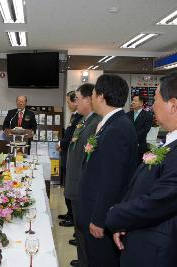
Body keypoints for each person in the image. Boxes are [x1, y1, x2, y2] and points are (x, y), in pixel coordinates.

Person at [106, 72, 177, 267]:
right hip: (141, 237)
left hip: (156, 251)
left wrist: (116, 214)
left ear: (173, 105)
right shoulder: (169, 142)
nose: (152, 105)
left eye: (156, 99)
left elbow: (159, 201)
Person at [77, 74, 138, 267]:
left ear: (101, 96)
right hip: (93, 209)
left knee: (101, 261)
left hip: (100, 217)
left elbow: (111, 180)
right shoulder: (111, 124)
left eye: (94, 93)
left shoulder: (117, 129)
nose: (92, 97)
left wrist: (99, 219)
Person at [64, 84, 101, 267]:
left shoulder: (96, 124)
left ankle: (86, 262)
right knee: (79, 230)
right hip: (75, 184)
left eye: (78, 98)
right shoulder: (84, 121)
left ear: (88, 99)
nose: (75, 102)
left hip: (81, 188)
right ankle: (82, 260)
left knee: (84, 231)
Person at [57, 91, 83, 227]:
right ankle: (69, 213)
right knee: (67, 186)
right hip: (66, 154)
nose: (68, 105)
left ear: (75, 101)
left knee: (71, 187)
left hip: (71, 155)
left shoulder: (81, 117)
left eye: (68, 102)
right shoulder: (74, 116)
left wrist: (62, 144)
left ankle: (72, 217)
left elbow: (73, 135)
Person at [126, 95, 153, 163]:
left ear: (141, 103)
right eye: (132, 100)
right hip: (128, 146)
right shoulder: (127, 114)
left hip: (140, 146)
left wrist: (132, 137)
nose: (133, 102)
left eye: (135, 101)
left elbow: (145, 130)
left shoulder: (148, 115)